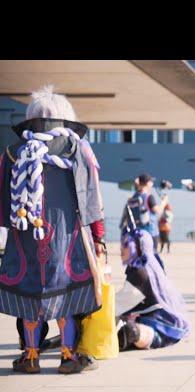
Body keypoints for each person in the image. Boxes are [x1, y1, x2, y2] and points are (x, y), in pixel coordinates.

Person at [0, 85, 105, 374]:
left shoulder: (13, 152)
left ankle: (31, 356)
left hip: (24, 233)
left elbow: (2, 200)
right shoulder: (77, 148)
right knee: (67, 296)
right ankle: (68, 357)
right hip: (66, 235)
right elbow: (91, 197)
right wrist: (99, 239)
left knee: (30, 296)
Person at [117, 229, 190, 350]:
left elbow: (121, 303)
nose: (121, 249)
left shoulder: (140, 272)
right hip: (154, 318)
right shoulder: (145, 267)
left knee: (131, 331)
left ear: (137, 248)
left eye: (126, 245)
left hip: (158, 324)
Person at [121, 173, 168, 252]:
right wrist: (164, 202)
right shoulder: (149, 197)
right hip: (150, 232)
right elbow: (158, 211)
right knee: (151, 257)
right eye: (151, 182)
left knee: (139, 257)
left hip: (136, 233)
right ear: (148, 183)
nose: (152, 184)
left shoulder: (134, 197)